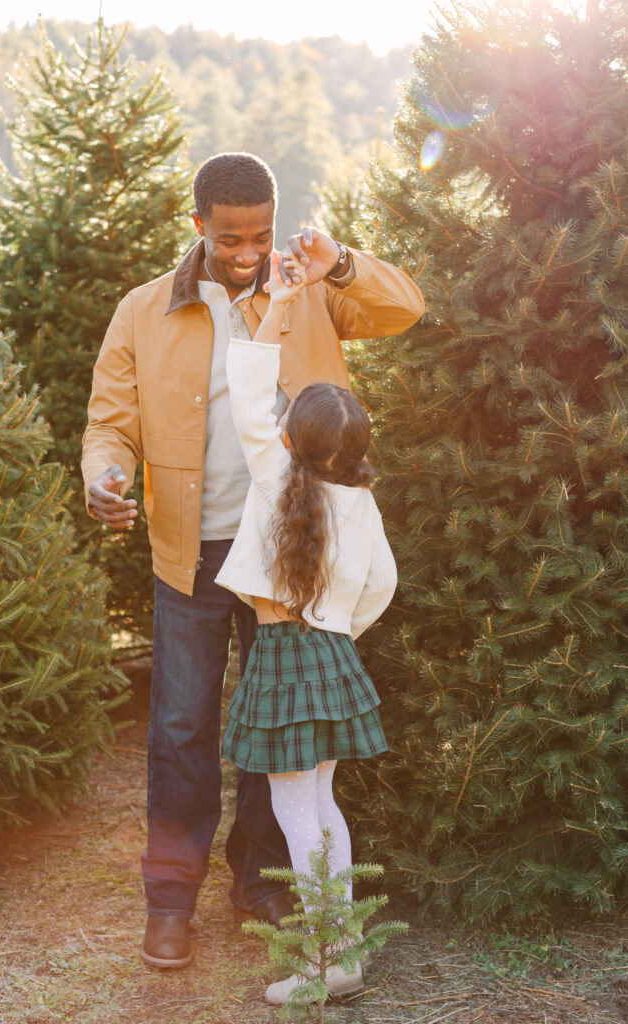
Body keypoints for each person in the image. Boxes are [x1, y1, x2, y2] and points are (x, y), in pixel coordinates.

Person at [81, 152, 424, 970]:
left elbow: (404, 307)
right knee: (179, 728)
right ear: (197, 225)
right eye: (230, 237)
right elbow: (108, 425)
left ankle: (262, 884)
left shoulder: (306, 289)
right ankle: (169, 898)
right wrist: (104, 478)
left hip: (288, 568)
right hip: (190, 557)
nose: (247, 252)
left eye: (260, 235)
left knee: (280, 737)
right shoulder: (140, 311)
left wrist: (336, 261)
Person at [216, 250, 397, 1004]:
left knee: (300, 814)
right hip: (331, 655)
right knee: (321, 807)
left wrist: (282, 301)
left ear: (290, 438)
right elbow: (381, 584)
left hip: (286, 657)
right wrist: (339, 630)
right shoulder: (357, 499)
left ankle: (329, 961)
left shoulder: (272, 475)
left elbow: (248, 386)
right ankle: (342, 950)